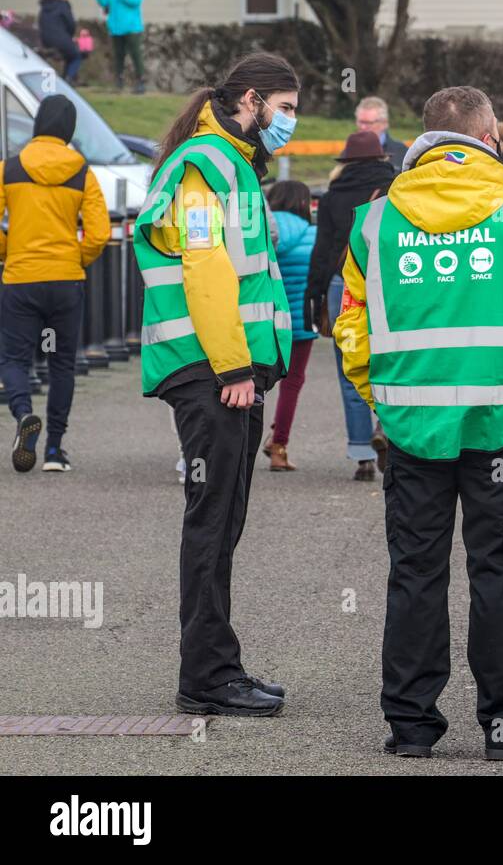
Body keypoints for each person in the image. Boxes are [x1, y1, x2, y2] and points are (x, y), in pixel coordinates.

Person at [333, 85, 503, 760]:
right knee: (497, 571)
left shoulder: (375, 222)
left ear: (421, 141)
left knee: (414, 570)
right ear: (492, 136)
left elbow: (350, 324)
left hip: (412, 427)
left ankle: (412, 727)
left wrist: (380, 395)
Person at [131, 52, 298, 716]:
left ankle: (216, 666)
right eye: (284, 108)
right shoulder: (206, 165)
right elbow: (205, 269)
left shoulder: (230, 163)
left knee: (220, 519)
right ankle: (206, 677)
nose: (290, 121)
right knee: (211, 520)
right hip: (210, 370)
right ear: (251, 100)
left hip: (220, 368)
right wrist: (233, 368)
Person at [0, 95, 108, 472]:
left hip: (21, 280)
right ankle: (53, 451)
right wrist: (75, 257)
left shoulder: (9, 169)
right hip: (65, 282)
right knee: (61, 363)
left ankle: (23, 413)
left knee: (13, 359)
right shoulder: (82, 172)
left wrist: (9, 250)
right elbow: (98, 233)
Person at [305, 130, 394, 479]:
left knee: (349, 370)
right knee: (391, 361)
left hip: (343, 285)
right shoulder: (396, 191)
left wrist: (313, 296)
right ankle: (386, 429)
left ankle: (362, 457)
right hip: (391, 282)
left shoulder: (332, 197)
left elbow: (323, 250)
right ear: (383, 159)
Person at [261, 179, 316, 471]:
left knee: (253, 382)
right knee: (292, 384)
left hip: (263, 317)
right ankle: (279, 446)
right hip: (300, 320)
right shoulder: (312, 234)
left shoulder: (264, 228)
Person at [93, 0, 145, 93]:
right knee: (118, 56)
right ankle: (119, 81)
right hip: (116, 28)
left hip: (132, 28)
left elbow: (136, 1)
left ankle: (140, 82)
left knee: (135, 55)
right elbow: (104, 2)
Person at [37, 0, 82, 84]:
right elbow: (71, 24)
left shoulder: (44, 7)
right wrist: (70, 36)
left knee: (68, 54)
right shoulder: (63, 5)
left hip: (46, 40)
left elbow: (40, 23)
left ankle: (64, 79)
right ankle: (68, 79)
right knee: (76, 56)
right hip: (61, 39)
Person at [354, 96, 407, 173]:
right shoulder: (349, 153)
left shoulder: (401, 153)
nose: (363, 127)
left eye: (369, 123)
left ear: (384, 123)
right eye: (360, 122)